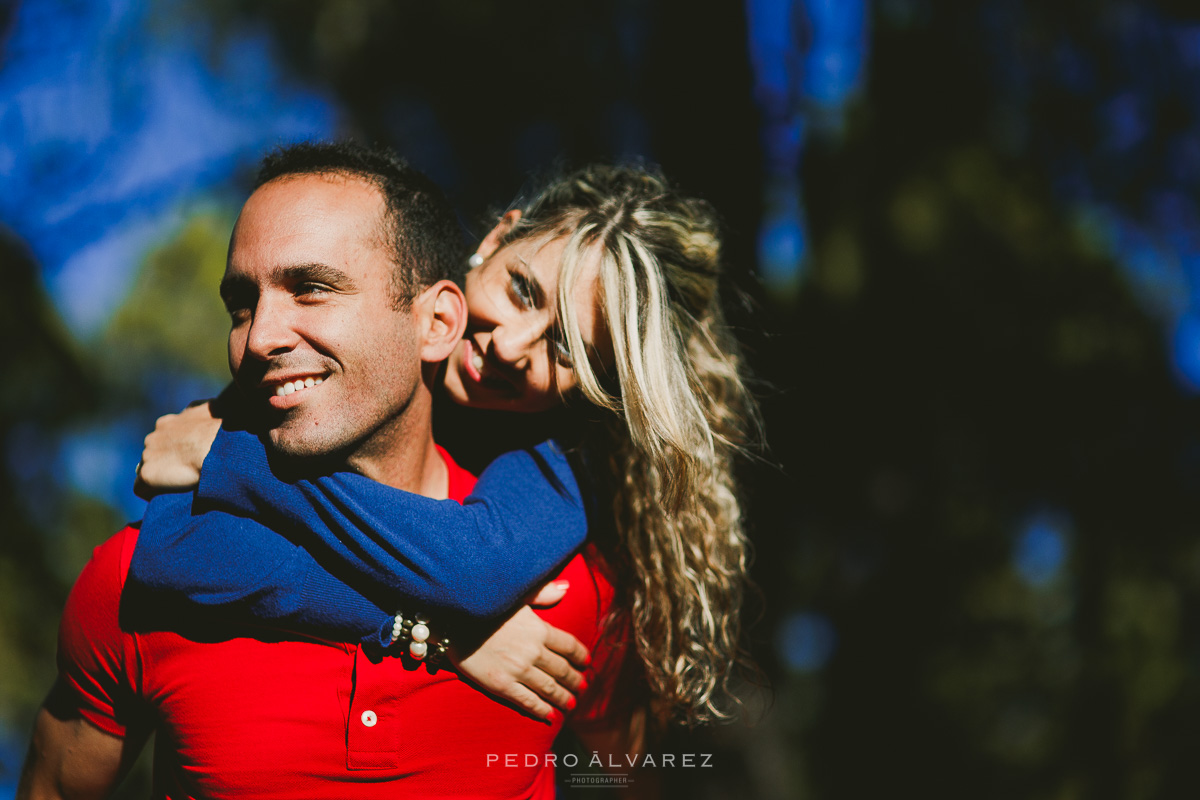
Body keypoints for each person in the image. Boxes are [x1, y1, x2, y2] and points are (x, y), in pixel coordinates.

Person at [18, 143, 632, 800]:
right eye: (240, 305)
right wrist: (432, 630)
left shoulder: (567, 592)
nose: (258, 339)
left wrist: (226, 455)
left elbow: (637, 776)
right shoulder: (134, 581)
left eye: (312, 289)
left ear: (437, 321)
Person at [132, 159, 761, 732]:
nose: (512, 347)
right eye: (522, 290)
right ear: (494, 241)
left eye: (566, 348)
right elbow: (171, 553)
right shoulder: (320, 366)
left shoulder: (555, 460)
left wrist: (233, 462)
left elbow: (472, 573)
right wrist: (439, 632)